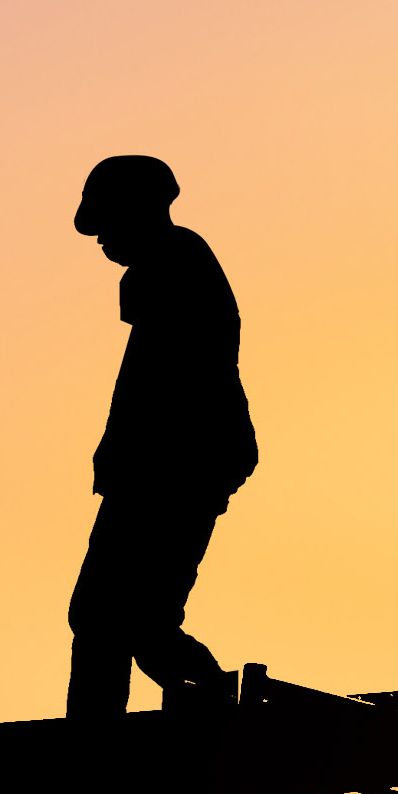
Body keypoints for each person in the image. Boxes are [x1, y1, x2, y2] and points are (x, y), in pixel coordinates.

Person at [69, 153, 255, 717]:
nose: (100, 239)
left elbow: (159, 382)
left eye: (107, 224)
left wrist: (123, 457)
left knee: (111, 618)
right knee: (129, 621)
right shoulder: (175, 264)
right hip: (174, 466)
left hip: (174, 468)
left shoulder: (172, 266)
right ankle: (208, 713)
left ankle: (105, 746)